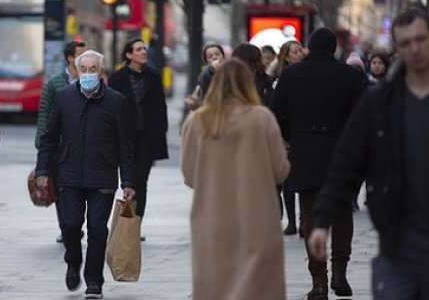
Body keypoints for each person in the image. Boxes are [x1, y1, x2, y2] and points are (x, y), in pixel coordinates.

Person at [308, 8, 429, 299]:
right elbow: (347, 161)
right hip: (397, 244)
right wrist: (322, 221)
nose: (415, 49)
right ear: (396, 49)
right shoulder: (380, 103)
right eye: (405, 43)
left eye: (420, 39)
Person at [181, 58, 289, 300]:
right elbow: (280, 170)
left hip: (211, 219)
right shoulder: (262, 118)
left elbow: (189, 175)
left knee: (215, 285)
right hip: (257, 219)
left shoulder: (197, 121)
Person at [270, 27, 365, 299]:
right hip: (340, 149)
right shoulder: (349, 76)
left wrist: (294, 135)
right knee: (343, 211)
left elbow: (277, 112)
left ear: (310, 47)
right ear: (334, 48)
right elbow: (360, 116)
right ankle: (340, 272)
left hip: (305, 148)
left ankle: (319, 281)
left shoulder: (291, 74)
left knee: (310, 214)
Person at [35, 50, 136, 300]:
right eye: (84, 69)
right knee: (69, 224)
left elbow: (126, 144)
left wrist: (129, 181)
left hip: (102, 173)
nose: (89, 74)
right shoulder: (64, 97)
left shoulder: (116, 101)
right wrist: (43, 170)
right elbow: (49, 137)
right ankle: (73, 260)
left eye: (94, 69)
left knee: (97, 229)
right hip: (69, 173)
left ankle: (94, 281)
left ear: (101, 72)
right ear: (77, 71)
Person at [108, 39, 168, 235]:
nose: (143, 52)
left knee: (140, 180)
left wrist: (161, 130)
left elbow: (161, 106)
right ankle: (127, 220)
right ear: (128, 55)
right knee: (129, 181)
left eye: (144, 49)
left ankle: (135, 223)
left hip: (147, 138)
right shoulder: (117, 78)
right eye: (139, 49)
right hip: (125, 136)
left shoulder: (154, 75)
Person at [34, 40, 86, 243]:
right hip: (58, 148)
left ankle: (74, 224)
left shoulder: (92, 81)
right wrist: (41, 143)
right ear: (70, 58)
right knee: (61, 188)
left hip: (82, 146)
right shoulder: (54, 83)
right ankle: (66, 227)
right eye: (81, 54)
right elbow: (44, 115)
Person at [272, 39, 304, 235]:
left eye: (301, 51)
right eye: (295, 52)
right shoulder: (277, 79)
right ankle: (292, 220)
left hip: (301, 133)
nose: (299, 54)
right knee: (288, 181)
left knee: (302, 179)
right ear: (286, 56)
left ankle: (303, 219)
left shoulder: (307, 74)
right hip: (283, 137)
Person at [184, 44, 225, 110]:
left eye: (217, 54)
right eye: (210, 56)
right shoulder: (205, 74)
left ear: (223, 56)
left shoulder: (231, 71)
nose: (214, 57)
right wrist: (212, 69)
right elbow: (203, 82)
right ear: (206, 61)